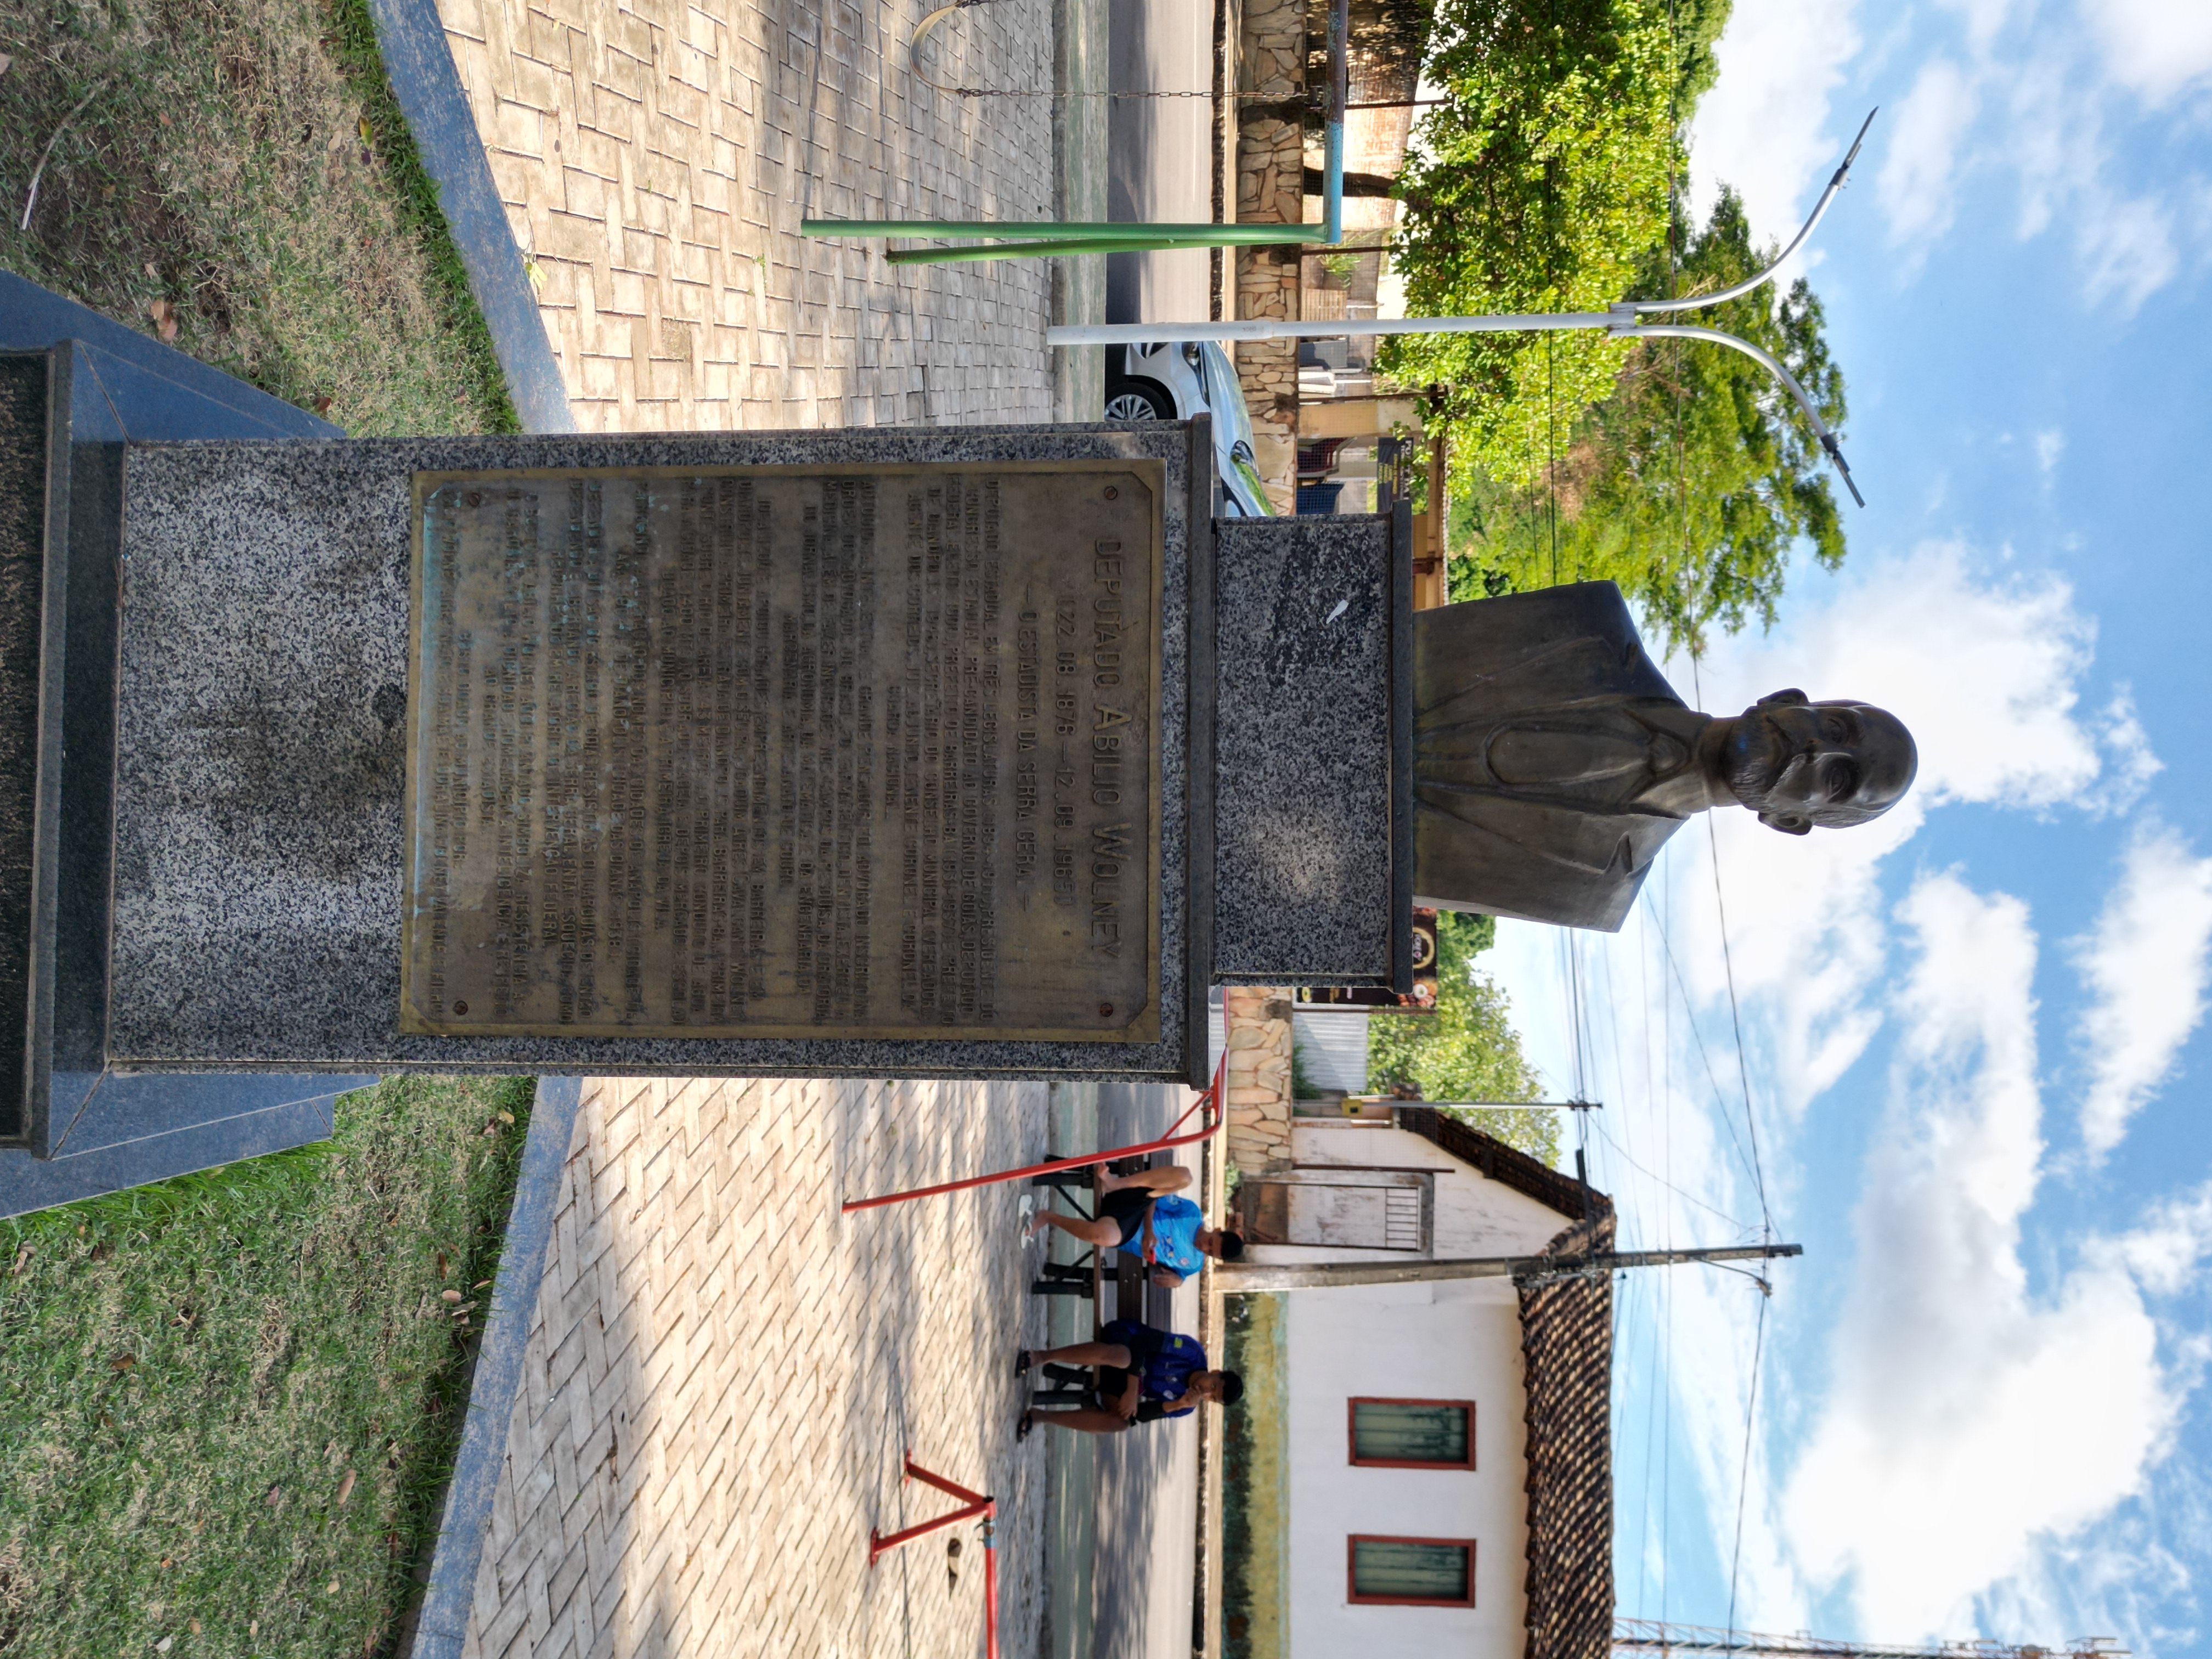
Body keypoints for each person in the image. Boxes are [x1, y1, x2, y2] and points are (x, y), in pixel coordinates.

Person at [1413, 580, 1918, 931]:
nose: (1816, 748)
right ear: (1784, 700)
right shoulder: (1592, 623)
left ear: (1787, 820)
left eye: (1837, 779)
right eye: (1835, 727)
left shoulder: (1595, 892)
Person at [1024, 1161, 1243, 1286]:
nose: (1204, 1247)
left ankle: (1048, 1217)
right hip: (1135, 1206)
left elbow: (1178, 1278)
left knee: (1103, 1237)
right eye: (1211, 1242)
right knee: (1185, 1176)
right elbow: (1153, 1199)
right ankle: (1114, 1184)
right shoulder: (1191, 1214)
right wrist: (1148, 1229)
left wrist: (1176, 1282)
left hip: (1124, 1233)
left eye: (1210, 1252)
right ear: (1216, 1230)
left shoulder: (1194, 1264)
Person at [1015, 1319, 1243, 1438]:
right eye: (1213, 1386)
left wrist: (1178, 1404)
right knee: (1124, 1358)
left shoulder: (1186, 1407)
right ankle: (1041, 1357)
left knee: (1121, 1423)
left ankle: (1040, 1416)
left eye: (1212, 1397)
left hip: (1124, 1387)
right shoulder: (1192, 1353)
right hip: (1125, 1342)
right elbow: (1143, 1341)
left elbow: (1140, 1416)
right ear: (1214, 1372)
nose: (1205, 1392)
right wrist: (1132, 1389)